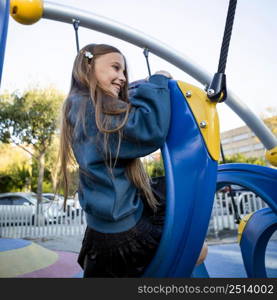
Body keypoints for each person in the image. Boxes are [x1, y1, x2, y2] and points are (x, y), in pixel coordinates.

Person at [59, 43, 207, 277]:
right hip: (126, 238)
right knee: (198, 251)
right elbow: (150, 128)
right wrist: (157, 82)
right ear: (88, 67)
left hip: (103, 232)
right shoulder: (95, 111)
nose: (123, 77)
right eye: (115, 68)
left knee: (162, 188)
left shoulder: (78, 106)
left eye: (124, 71)